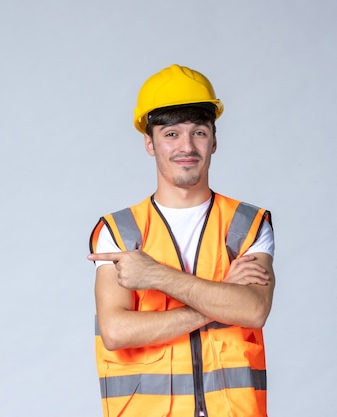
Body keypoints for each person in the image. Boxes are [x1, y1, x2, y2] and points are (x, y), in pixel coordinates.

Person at [87, 64, 275, 417]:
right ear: (149, 143)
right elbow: (115, 330)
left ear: (214, 140)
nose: (186, 147)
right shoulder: (120, 230)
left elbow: (253, 309)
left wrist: (155, 275)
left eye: (199, 132)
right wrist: (221, 299)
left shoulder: (246, 225)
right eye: (171, 134)